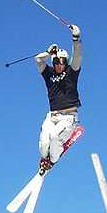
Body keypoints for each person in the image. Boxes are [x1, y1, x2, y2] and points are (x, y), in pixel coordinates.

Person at [35, 24, 82, 170]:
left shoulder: (71, 72)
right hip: (52, 116)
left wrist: (75, 38)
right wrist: (48, 53)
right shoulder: (49, 74)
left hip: (68, 117)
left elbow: (78, 56)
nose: (58, 65)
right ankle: (45, 158)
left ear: (65, 62)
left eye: (61, 61)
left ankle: (53, 159)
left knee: (55, 136)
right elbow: (38, 60)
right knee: (43, 145)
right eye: (56, 62)